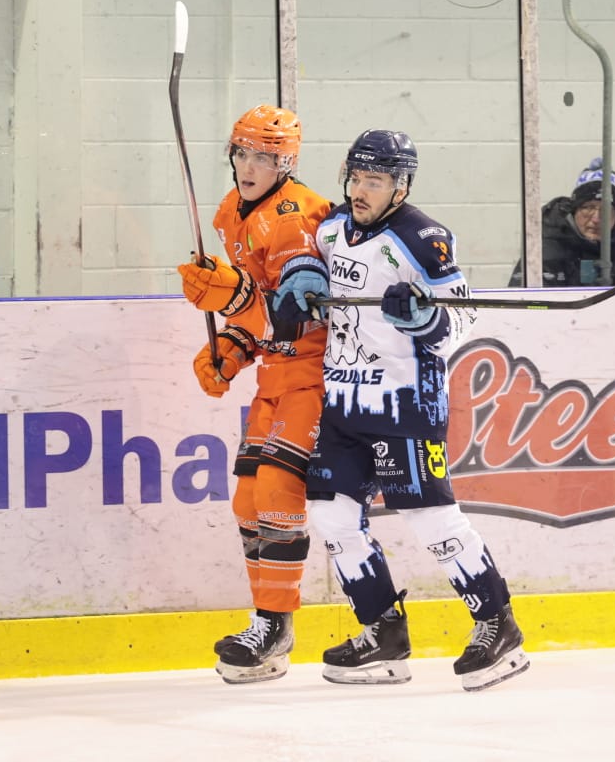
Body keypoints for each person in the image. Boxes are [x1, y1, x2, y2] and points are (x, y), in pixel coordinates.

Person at [272, 129, 530, 693]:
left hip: (404, 404)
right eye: (356, 178)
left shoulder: (422, 238)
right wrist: (301, 287)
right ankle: (383, 631)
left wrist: (426, 318)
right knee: (332, 515)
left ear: (401, 186)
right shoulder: (332, 229)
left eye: (375, 180)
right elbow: (313, 281)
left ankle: (498, 624)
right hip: (344, 404)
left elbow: (462, 317)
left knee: (429, 517)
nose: (360, 190)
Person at [177, 104, 332, 684]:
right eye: (241, 152)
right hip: (274, 377)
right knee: (246, 502)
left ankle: (275, 625)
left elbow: (294, 314)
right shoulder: (229, 213)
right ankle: (267, 625)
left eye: (263, 157)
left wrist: (234, 295)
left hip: (313, 374)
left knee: (275, 493)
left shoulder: (299, 215)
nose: (248, 165)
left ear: (284, 163)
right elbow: (259, 319)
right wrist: (233, 348)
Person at [508, 157, 615, 287]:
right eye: (588, 208)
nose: (596, 219)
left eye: (606, 211)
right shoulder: (544, 247)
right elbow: (523, 302)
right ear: (574, 210)